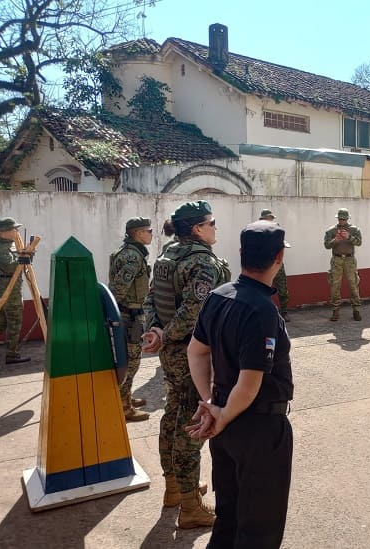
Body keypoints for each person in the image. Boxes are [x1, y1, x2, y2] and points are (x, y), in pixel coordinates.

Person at [187, 220, 294, 548]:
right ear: (278, 258)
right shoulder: (261, 309)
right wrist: (220, 413)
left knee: (229, 519)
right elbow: (249, 383)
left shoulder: (219, 296)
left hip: (226, 427)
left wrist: (211, 402)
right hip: (258, 429)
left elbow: (196, 351)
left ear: (241, 254)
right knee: (258, 530)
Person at [142, 200, 231, 528]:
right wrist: (165, 334)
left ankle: (175, 489)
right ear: (197, 228)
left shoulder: (168, 255)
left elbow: (152, 298)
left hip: (170, 351)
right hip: (193, 352)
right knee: (193, 423)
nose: (215, 227)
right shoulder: (200, 262)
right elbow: (195, 310)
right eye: (212, 222)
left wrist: (155, 330)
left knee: (174, 414)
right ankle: (191, 506)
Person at [108, 217, 153, 421]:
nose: (151, 234)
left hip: (129, 313)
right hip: (130, 316)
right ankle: (124, 406)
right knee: (131, 360)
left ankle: (124, 395)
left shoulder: (124, 252)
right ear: (138, 233)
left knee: (130, 358)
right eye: (148, 230)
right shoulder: (133, 257)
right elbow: (118, 288)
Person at [0, 217, 31, 365]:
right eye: (13, 229)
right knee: (14, 320)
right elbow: (10, 266)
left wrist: (26, 256)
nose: (16, 231)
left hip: (13, 284)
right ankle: (12, 354)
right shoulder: (1, 247)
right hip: (8, 286)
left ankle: (12, 352)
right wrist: (24, 257)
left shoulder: (10, 244)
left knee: (3, 322)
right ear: (3, 232)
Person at [323, 208, 362, 322]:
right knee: (335, 286)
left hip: (350, 260)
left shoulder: (354, 229)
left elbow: (359, 242)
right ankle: (335, 310)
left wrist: (349, 237)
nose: (342, 221)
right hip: (337, 260)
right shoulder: (331, 230)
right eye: (340, 219)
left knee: (353, 285)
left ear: (347, 219)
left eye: (344, 219)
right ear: (338, 218)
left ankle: (356, 310)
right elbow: (326, 245)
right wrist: (336, 239)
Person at [260, 209, 290, 321]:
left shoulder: (277, 228)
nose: (270, 220)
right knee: (263, 290)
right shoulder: (258, 231)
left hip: (277, 264)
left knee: (283, 289)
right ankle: (264, 313)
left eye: (271, 218)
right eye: (268, 218)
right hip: (265, 264)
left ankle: (284, 312)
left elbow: (283, 243)